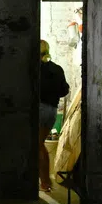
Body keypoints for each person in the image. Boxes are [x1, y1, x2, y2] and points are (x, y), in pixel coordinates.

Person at [38, 40, 69, 193]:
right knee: (39, 144)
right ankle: (44, 181)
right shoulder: (57, 69)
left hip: (39, 109)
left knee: (37, 146)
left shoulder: (36, 69)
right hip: (52, 111)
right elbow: (65, 90)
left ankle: (45, 182)